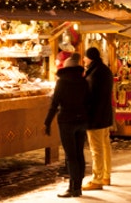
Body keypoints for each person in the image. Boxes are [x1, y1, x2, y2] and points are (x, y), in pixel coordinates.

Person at [43, 57, 89, 198]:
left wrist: (47, 122)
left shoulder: (61, 82)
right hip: (82, 121)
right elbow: (89, 101)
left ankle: (73, 188)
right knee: (79, 153)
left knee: (71, 156)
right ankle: (78, 186)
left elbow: (54, 104)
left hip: (67, 122)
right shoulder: (83, 82)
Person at [82, 46, 114, 191]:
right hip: (105, 114)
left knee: (96, 149)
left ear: (91, 58)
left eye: (85, 57)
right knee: (105, 145)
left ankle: (97, 179)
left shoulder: (94, 74)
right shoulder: (105, 70)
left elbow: (90, 96)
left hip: (95, 116)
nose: (83, 59)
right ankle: (106, 175)